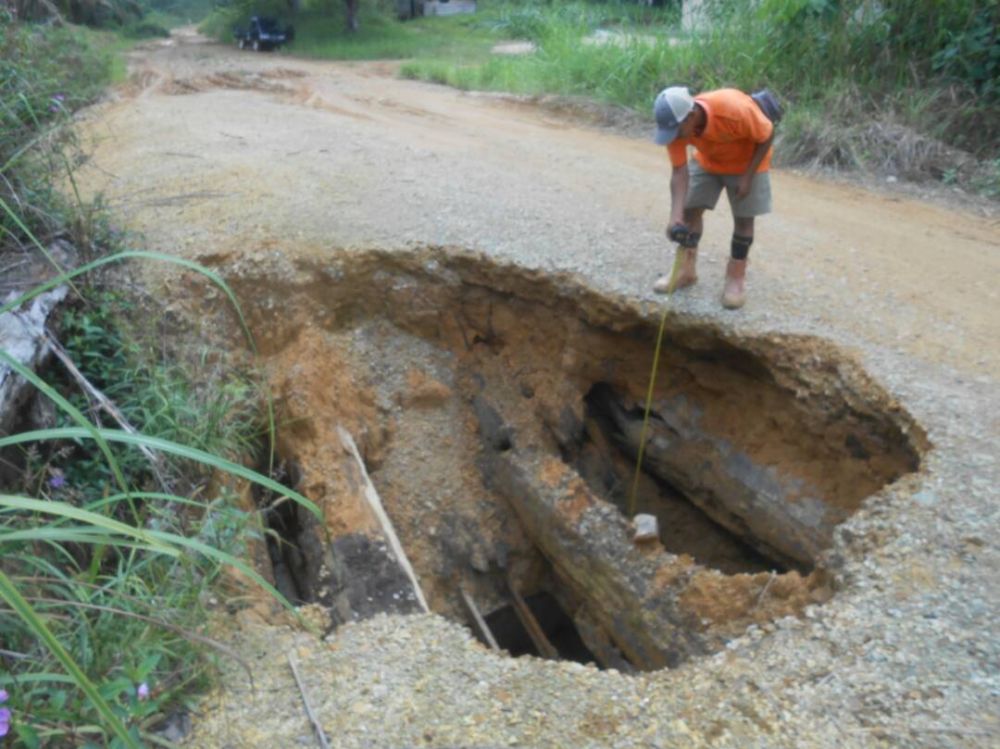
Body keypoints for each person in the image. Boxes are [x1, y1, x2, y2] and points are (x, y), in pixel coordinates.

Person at [652, 86, 775, 309]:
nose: (674, 137)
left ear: (690, 116)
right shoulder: (676, 126)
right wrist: (675, 216)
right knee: (689, 210)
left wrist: (748, 177)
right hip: (708, 160)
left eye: (677, 132)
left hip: (747, 163)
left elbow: (767, 134)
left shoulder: (733, 109)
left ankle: (735, 278)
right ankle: (685, 270)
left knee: (744, 218)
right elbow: (679, 172)